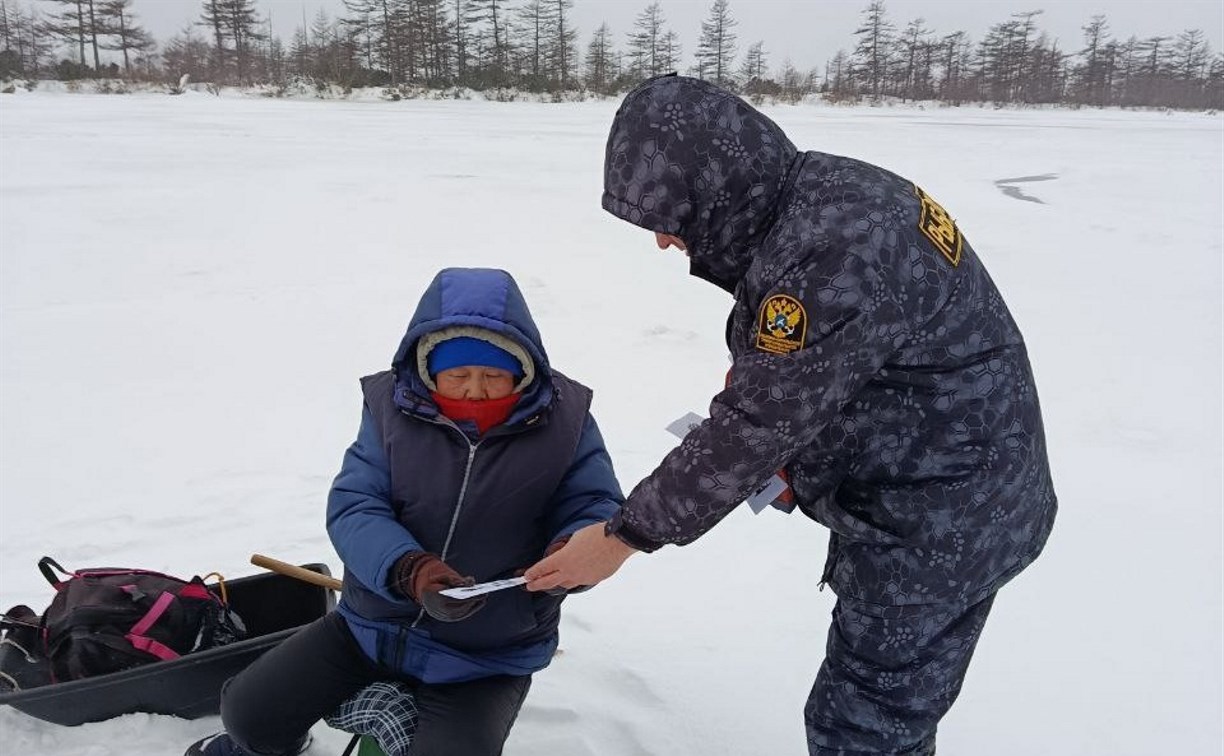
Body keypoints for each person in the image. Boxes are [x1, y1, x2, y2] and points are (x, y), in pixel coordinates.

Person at [524, 75, 1057, 755]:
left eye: (671, 214)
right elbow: (825, 375)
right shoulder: (822, 193)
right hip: (957, 487)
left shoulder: (830, 253)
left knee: (863, 730)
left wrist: (622, 538)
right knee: (884, 717)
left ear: (717, 186)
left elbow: (751, 428)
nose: (663, 239)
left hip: (942, 519)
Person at [187, 267, 624, 756]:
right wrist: (410, 571)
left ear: (523, 370)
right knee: (249, 713)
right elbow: (356, 504)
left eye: (494, 376)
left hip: (489, 651)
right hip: (371, 626)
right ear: (429, 368)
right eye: (458, 375)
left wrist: (570, 555)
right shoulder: (390, 411)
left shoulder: (565, 423)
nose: (475, 391)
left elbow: (594, 505)